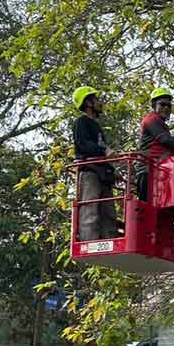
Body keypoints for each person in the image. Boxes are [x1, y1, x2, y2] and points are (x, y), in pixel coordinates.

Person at [72, 86, 119, 241]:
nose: (100, 103)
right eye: (96, 99)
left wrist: (111, 169)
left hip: (102, 172)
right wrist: (104, 152)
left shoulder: (96, 126)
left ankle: (109, 240)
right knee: (90, 208)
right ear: (89, 103)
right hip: (90, 171)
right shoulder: (81, 122)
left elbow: (101, 148)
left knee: (108, 212)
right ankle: (89, 242)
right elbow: (83, 145)